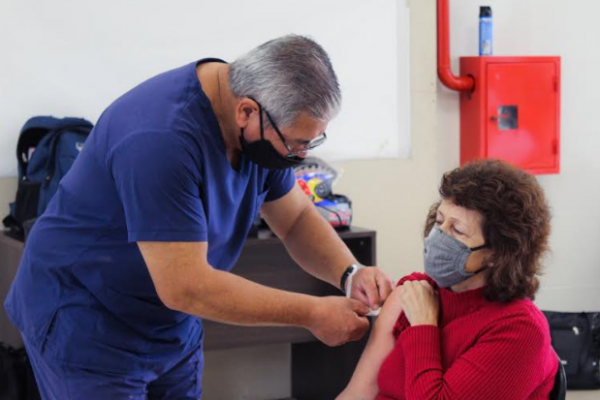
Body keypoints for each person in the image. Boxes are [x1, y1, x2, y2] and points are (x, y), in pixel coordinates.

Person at [4, 35, 393, 399]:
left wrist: (349, 272)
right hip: (85, 315)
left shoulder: (261, 123)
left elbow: (294, 219)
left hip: (168, 319)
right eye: (297, 142)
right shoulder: (159, 139)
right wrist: (311, 313)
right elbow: (186, 286)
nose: (300, 154)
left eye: (311, 143)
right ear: (246, 112)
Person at [337, 159, 558, 400]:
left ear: (496, 254)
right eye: (440, 221)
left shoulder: (519, 330)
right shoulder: (414, 291)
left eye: (458, 231)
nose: (439, 237)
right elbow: (359, 393)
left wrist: (423, 327)